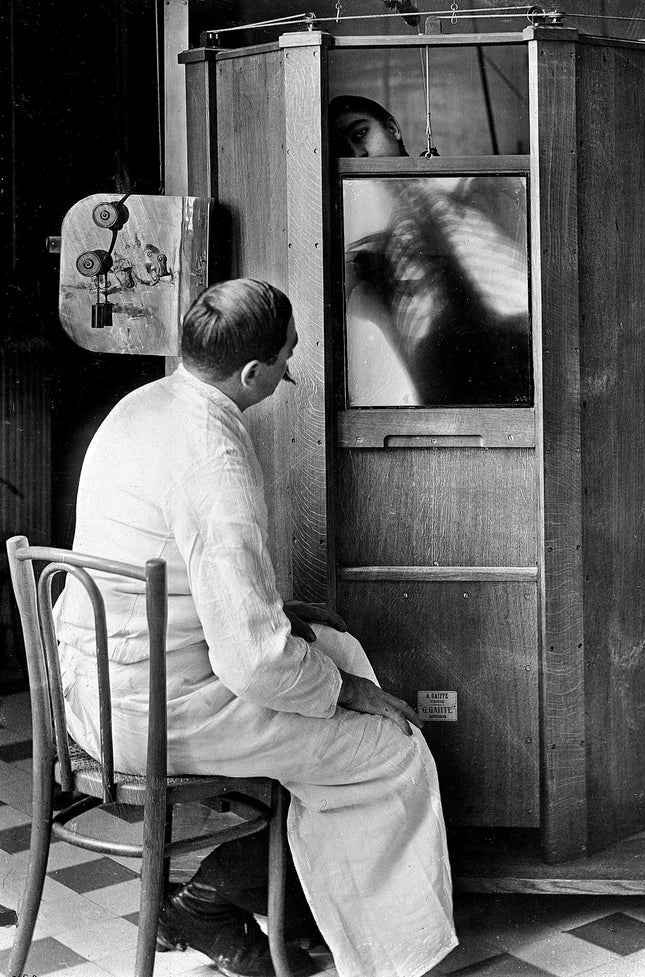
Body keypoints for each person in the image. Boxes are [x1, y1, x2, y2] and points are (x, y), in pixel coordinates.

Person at [54, 279, 457, 977]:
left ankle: (288, 901)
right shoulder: (215, 456)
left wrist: (296, 627)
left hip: (95, 688)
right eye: (287, 360)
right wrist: (347, 694)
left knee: (335, 650)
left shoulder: (143, 405)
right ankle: (382, 953)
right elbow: (252, 662)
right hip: (155, 711)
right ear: (251, 373)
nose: (288, 371)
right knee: (391, 749)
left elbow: (191, 585)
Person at [329, 95, 532, 408]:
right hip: (443, 377)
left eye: (360, 133)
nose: (358, 153)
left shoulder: (481, 189)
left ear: (393, 129)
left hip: (517, 350)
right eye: (343, 149)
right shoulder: (368, 245)